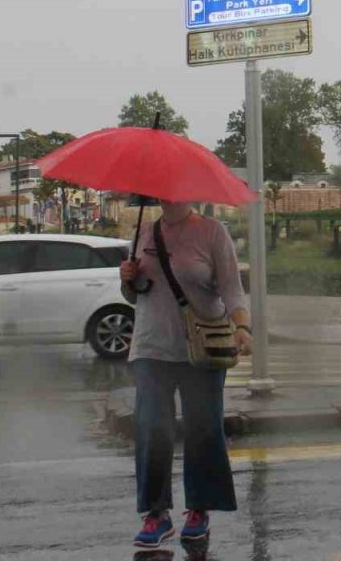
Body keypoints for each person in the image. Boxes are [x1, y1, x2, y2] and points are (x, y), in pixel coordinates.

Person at [118, 200, 251, 549]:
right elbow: (136, 295)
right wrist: (128, 281)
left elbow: (232, 289)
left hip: (201, 348)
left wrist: (242, 327)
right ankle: (155, 513)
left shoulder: (212, 232)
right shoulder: (146, 231)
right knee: (151, 428)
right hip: (151, 346)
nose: (168, 197)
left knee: (203, 427)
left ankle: (199, 509)